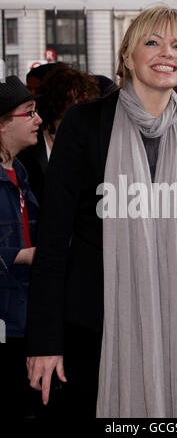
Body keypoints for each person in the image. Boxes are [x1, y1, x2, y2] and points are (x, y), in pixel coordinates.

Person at [26, 6, 177, 418]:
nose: (168, 53)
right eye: (153, 42)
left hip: (174, 327)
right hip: (96, 327)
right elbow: (53, 240)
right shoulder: (85, 124)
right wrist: (44, 341)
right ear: (127, 55)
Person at [0, 76, 42, 417]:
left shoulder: (21, 173)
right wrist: (21, 255)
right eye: (28, 112)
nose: (38, 119)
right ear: (1, 125)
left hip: (28, 315)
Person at [19, 66, 100, 204]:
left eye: (84, 103)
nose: (80, 110)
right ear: (55, 102)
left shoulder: (91, 145)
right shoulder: (28, 148)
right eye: (74, 102)